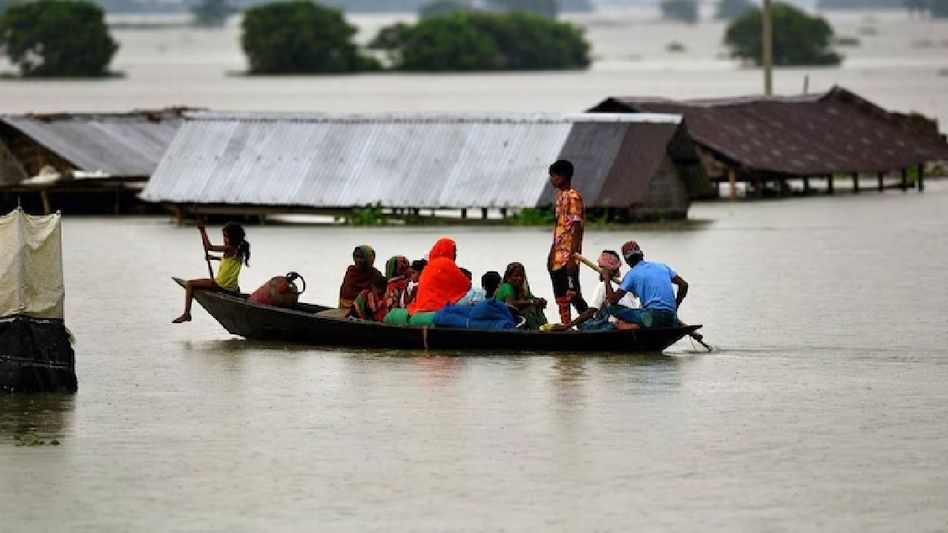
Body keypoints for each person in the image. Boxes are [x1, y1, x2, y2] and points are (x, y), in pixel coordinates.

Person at [173, 220, 250, 324]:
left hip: (220, 285)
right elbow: (229, 262)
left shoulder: (229, 248)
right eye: (224, 237)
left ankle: (186, 313)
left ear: (233, 238)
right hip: (233, 288)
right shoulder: (239, 250)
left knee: (190, 284)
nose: (224, 240)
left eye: (226, 237)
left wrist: (202, 231)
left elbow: (209, 247)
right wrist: (214, 258)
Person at [602, 240, 688, 329]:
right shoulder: (663, 267)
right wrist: (674, 308)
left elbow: (612, 300)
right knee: (643, 310)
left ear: (626, 260)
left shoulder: (632, 274)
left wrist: (607, 279)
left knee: (611, 307)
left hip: (652, 319)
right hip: (671, 318)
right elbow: (684, 285)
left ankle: (629, 325)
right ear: (642, 254)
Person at [547, 159, 589, 325]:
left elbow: (576, 226)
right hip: (557, 254)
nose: (551, 179)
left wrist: (573, 257)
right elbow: (560, 228)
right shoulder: (560, 197)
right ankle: (566, 325)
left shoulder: (573, 197)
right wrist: (552, 252)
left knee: (573, 293)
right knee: (560, 294)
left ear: (563, 176)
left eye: (553, 176)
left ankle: (588, 323)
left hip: (567, 255)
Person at [562, 250, 639, 330]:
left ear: (604, 269)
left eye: (600, 267)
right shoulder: (625, 283)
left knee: (582, 324)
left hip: (614, 322)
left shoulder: (603, 285)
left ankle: (619, 324)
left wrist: (568, 325)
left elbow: (592, 310)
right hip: (631, 318)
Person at [407, 238, 471, 314]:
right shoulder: (446, 263)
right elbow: (465, 285)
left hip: (422, 305)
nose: (455, 255)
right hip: (436, 306)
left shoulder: (429, 265)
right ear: (448, 250)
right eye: (454, 251)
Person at [494, 262, 548, 330]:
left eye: (521, 276)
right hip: (503, 320)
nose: (519, 278)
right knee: (527, 310)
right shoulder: (507, 287)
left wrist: (540, 301)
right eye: (516, 276)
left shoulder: (522, 289)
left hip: (512, 320)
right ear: (508, 277)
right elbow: (510, 304)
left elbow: (531, 299)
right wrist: (531, 302)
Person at [338, 245, 382, 311]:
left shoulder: (375, 274)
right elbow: (344, 296)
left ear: (369, 259)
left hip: (367, 311)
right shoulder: (351, 271)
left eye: (361, 257)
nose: (358, 260)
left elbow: (379, 297)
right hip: (344, 309)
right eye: (356, 257)